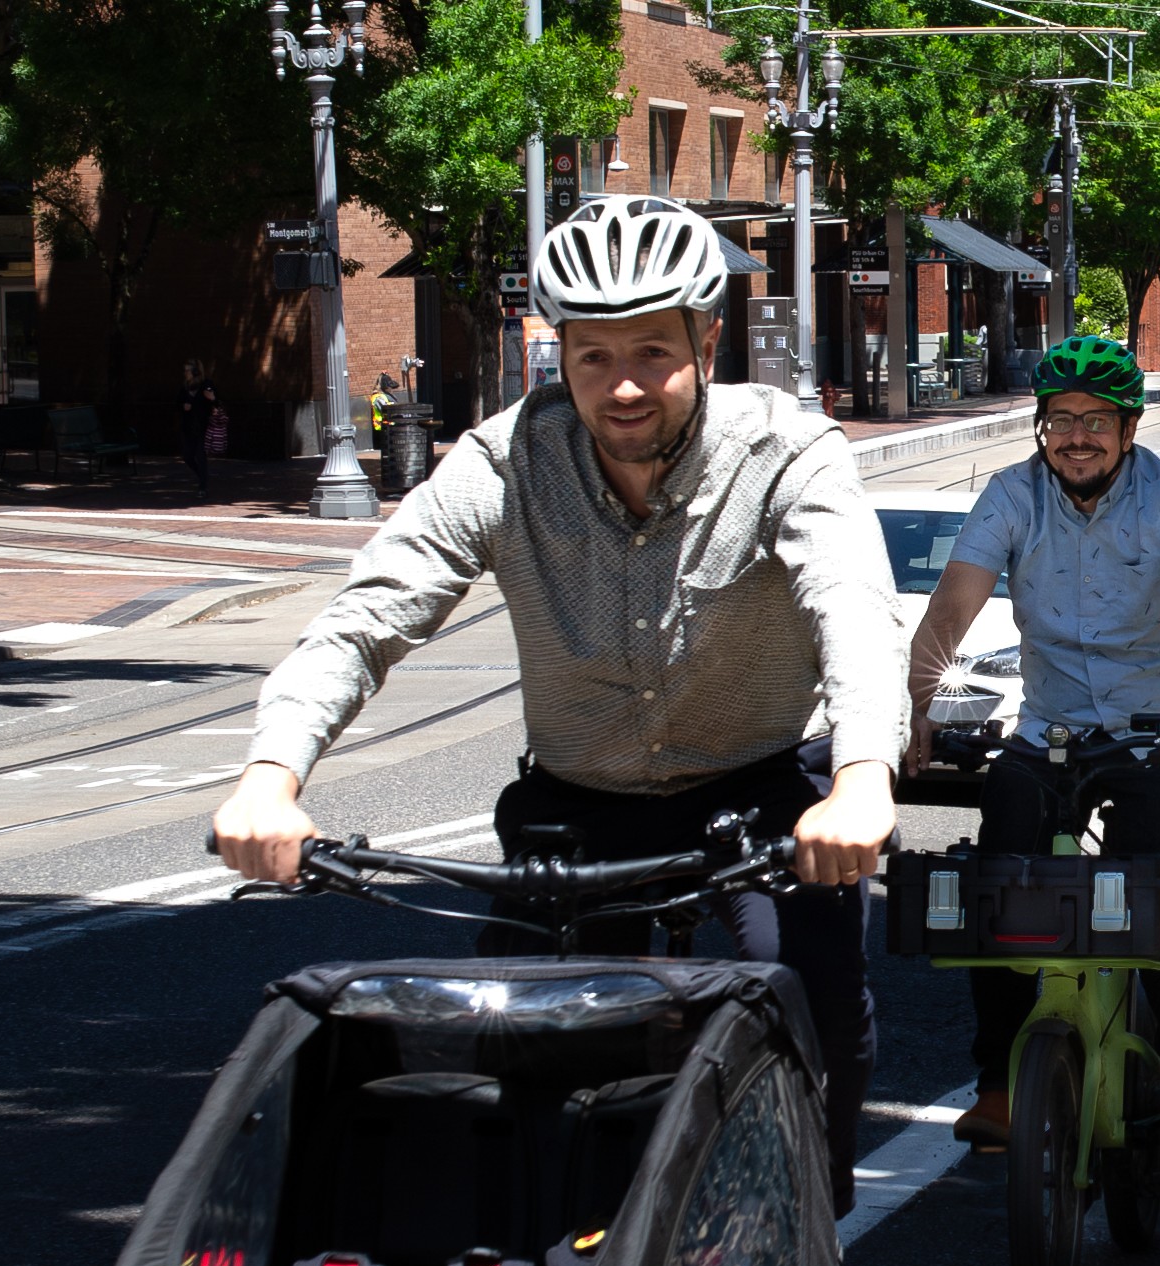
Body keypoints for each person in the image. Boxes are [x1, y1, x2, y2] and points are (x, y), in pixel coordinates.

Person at [206, 196, 906, 1211]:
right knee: (518, 1048)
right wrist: (271, 777)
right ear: (559, 351)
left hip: (760, 796)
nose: (623, 386)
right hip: (579, 805)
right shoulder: (502, 463)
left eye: (654, 354)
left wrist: (861, 781)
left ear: (706, 342)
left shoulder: (787, 453)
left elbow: (854, 609)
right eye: (593, 357)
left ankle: (806, 1223)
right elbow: (366, 617)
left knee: (814, 1002)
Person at [902, 334, 1160, 1156]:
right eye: (1060, 420)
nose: (1077, 436)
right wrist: (923, 706)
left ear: (1129, 429)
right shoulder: (1011, 494)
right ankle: (1000, 1081)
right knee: (996, 892)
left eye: (1098, 420)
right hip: (1050, 727)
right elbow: (953, 605)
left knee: (1158, 900)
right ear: (1040, 428)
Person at [178, 360, 219, 497]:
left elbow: (216, 401)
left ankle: (203, 486)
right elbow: (177, 402)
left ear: (195, 372)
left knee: (201, 456)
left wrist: (212, 398)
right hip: (188, 426)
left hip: (203, 426)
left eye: (188, 370)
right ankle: (203, 476)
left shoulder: (206, 385)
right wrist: (183, 407)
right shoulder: (185, 387)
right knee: (187, 456)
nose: (185, 373)